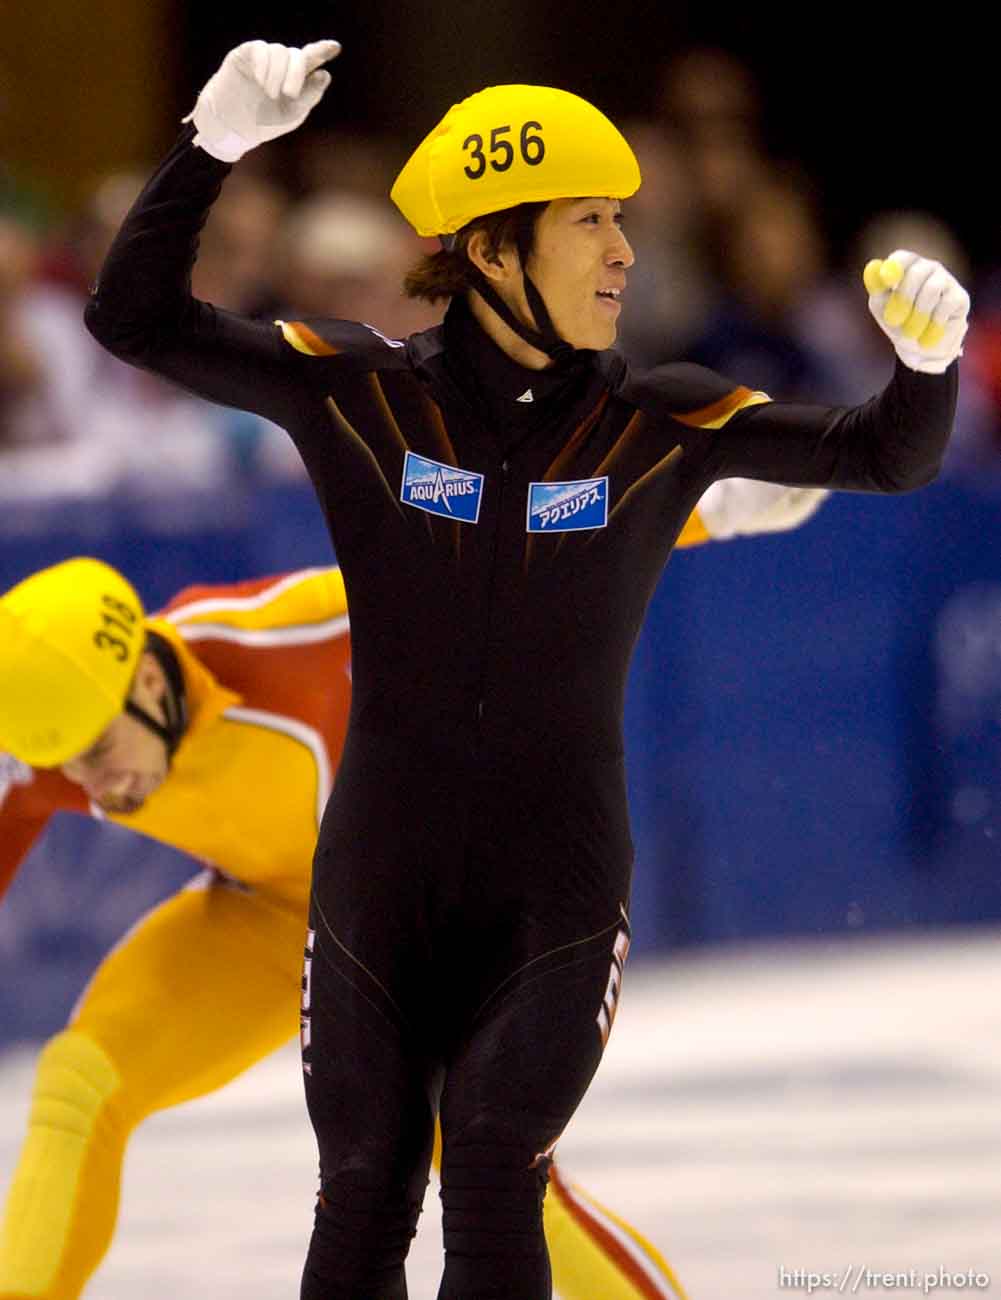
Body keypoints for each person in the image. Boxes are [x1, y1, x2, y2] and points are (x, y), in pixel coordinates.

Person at [82, 38, 968, 1299]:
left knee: (494, 1165)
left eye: (621, 220)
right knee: (361, 1193)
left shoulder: (657, 421)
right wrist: (207, 148)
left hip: (551, 897)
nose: (621, 251)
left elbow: (886, 457)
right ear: (491, 250)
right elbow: (131, 318)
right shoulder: (360, 397)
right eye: (588, 221)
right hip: (377, 883)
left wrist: (922, 367)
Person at [0, 472, 827, 1300]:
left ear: (148, 682)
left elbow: (505, 553)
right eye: (64, 764)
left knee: (490, 1172)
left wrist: (702, 512)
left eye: (98, 755)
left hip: (414, 919)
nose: (86, 786)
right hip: (265, 911)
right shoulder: (52, 745)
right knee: (80, 1084)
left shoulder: (297, 634)